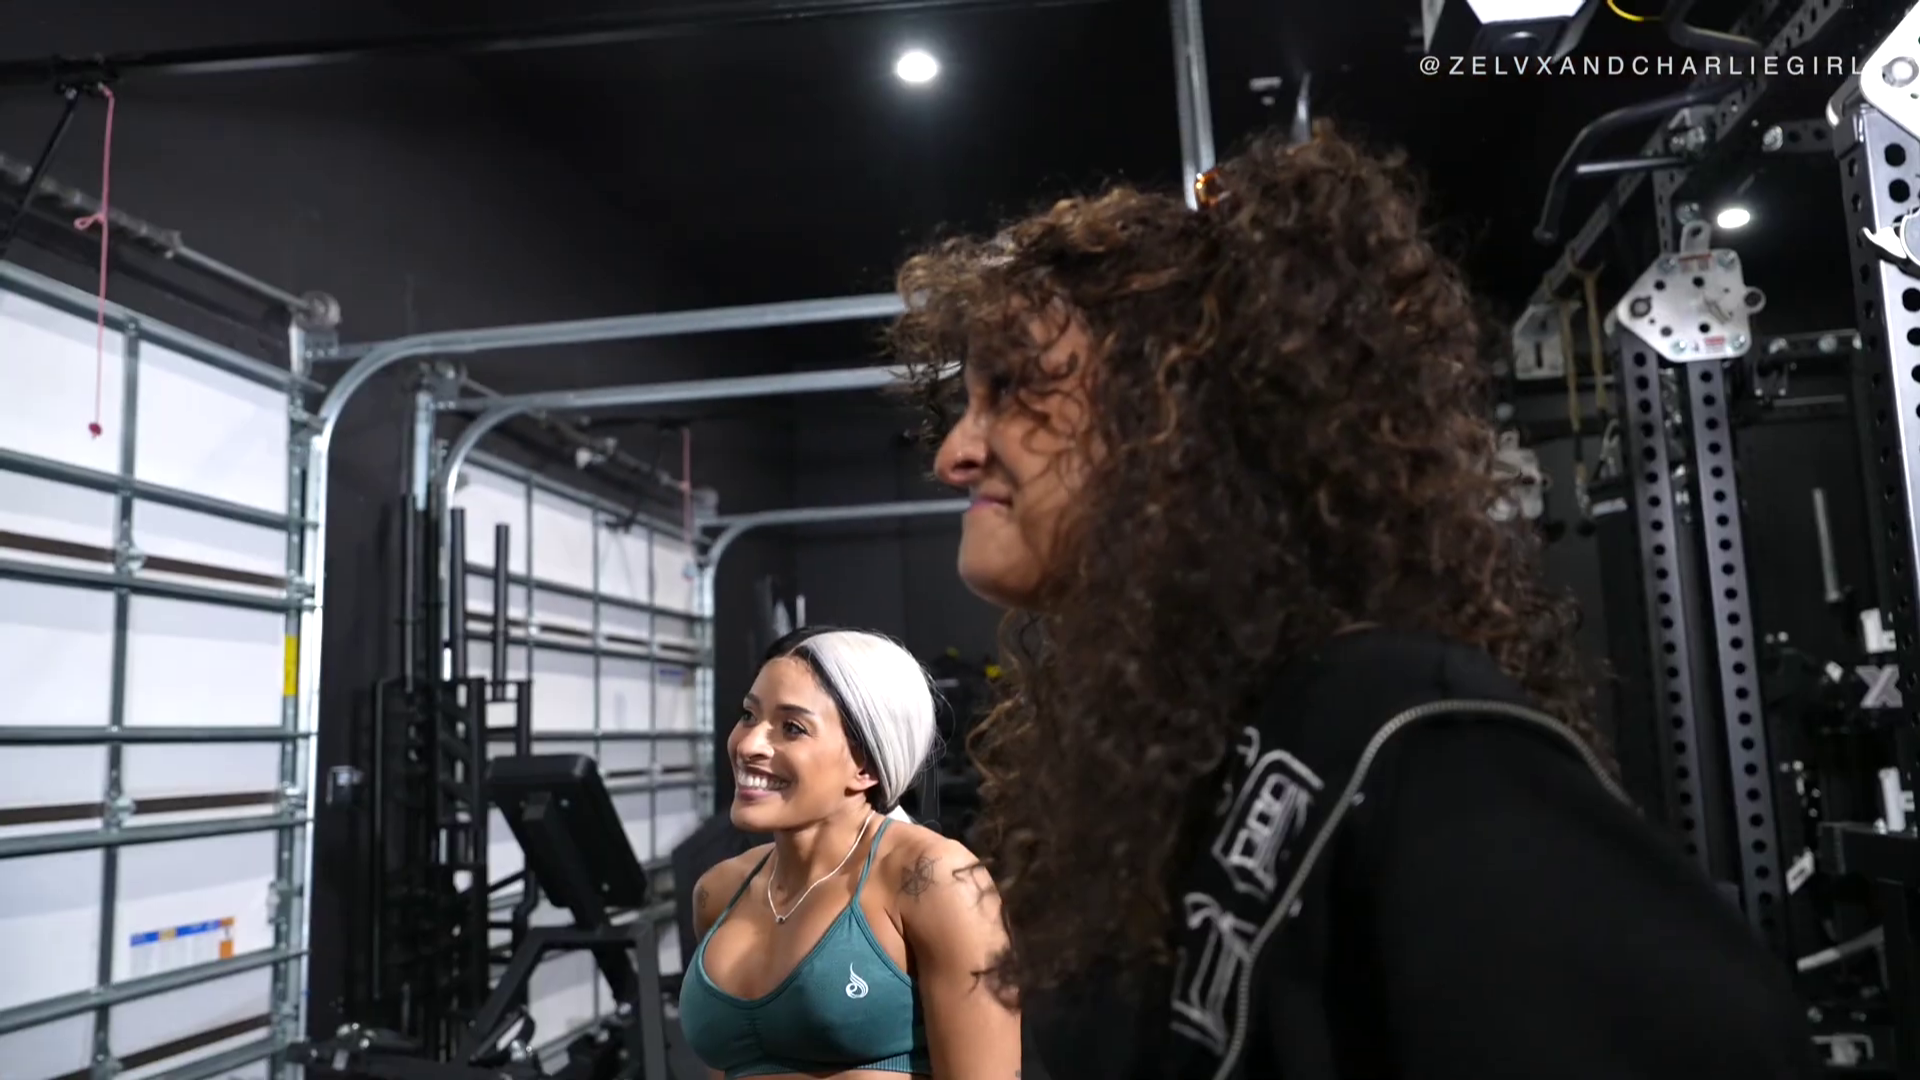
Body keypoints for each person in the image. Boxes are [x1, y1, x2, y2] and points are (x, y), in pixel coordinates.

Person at [887, 123, 1821, 1079]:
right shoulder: (1165, 765)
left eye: (1011, 392)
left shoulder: (1405, 732)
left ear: (1176, 415)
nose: (955, 452)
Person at [679, 627, 1020, 1080]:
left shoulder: (934, 878)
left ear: (865, 766)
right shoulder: (718, 891)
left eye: (792, 728)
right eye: (748, 715)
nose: (747, 745)